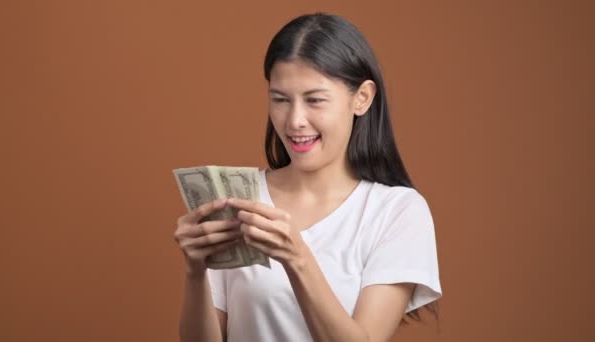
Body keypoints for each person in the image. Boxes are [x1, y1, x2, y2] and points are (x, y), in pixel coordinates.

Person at [174, 12, 442, 342]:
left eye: (314, 100)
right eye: (281, 100)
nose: (295, 120)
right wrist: (195, 271)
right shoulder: (240, 199)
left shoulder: (396, 211)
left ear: (362, 98)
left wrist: (297, 257)